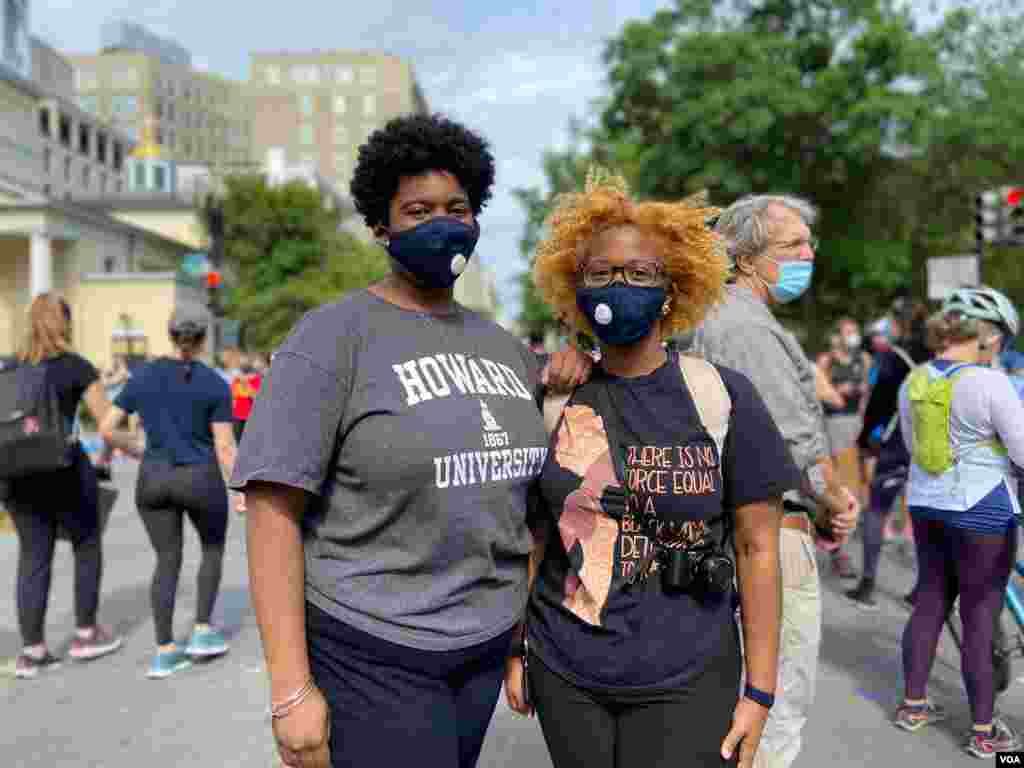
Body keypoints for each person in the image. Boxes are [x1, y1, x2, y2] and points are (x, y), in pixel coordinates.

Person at [231, 113, 589, 768]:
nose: (442, 223)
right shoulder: (332, 338)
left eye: (457, 207)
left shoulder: (505, 349)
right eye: (418, 209)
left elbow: (525, 501)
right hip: (372, 651)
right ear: (380, 225)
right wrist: (290, 690)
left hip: (480, 648)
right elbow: (271, 511)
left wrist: (518, 641)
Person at [504, 172, 795, 768]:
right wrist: (517, 648)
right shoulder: (554, 396)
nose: (619, 285)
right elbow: (533, 534)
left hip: (690, 677)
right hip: (566, 671)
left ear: (672, 289)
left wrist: (760, 692)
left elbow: (758, 547)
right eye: (601, 273)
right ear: (576, 288)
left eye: (640, 273)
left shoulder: (722, 396)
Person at [687, 194, 859, 768]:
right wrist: (834, 500)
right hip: (768, 535)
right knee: (775, 713)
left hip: (753, 529)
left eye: (809, 243)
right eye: (792, 246)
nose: (808, 255)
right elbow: (787, 437)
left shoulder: (732, 319)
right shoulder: (743, 327)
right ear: (745, 257)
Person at [895, 286, 1024, 758]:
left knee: (929, 601)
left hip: (928, 505)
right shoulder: (990, 383)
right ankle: (985, 733)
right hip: (983, 509)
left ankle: (913, 706)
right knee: (979, 615)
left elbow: (912, 446)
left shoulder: (916, 380)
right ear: (988, 336)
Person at [99, 313, 239, 679]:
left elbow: (107, 427)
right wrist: (241, 490)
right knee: (211, 549)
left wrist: (137, 450)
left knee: (166, 559)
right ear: (204, 339)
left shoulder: (143, 376)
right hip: (200, 479)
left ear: (170, 335)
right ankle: (202, 631)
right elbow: (224, 446)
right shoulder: (214, 383)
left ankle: (164, 651)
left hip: (154, 479)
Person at [7, 294, 124, 678]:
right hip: (65, 472)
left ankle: (32, 650)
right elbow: (108, 421)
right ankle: (86, 633)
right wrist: (114, 452)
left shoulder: (9, 367)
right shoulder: (76, 367)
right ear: (66, 324)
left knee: (32, 557)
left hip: (17, 476)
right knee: (86, 544)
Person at [845, 299, 933, 610]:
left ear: (898, 322)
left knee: (877, 509)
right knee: (926, 515)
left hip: (897, 443)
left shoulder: (896, 356)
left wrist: (866, 437)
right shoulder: (938, 353)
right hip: (932, 445)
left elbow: (881, 401)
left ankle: (868, 584)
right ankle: (925, 589)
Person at [816, 320, 871, 579]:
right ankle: (838, 551)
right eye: (847, 332)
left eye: (854, 331)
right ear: (837, 335)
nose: (852, 336)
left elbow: (869, 392)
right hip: (834, 423)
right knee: (840, 487)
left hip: (857, 424)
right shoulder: (826, 360)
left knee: (859, 485)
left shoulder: (864, 359)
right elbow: (817, 391)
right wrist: (838, 391)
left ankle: (841, 541)